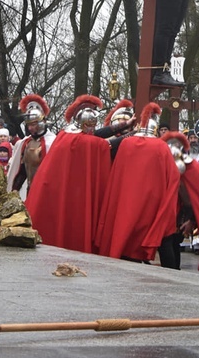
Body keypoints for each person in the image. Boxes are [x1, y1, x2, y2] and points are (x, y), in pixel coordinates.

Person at [26, 94, 135, 253]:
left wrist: (125, 124)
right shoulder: (83, 142)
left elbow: (96, 136)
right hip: (70, 192)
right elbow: (104, 145)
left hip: (57, 189)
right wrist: (131, 134)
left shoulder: (66, 134)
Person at [95, 102, 180, 263]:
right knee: (162, 239)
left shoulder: (127, 143)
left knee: (126, 234)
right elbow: (173, 176)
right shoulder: (161, 146)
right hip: (153, 201)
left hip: (126, 200)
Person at [160, 131, 199, 276]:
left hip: (197, 209)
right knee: (170, 238)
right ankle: (172, 273)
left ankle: (174, 273)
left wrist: (191, 220)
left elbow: (196, 199)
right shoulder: (175, 166)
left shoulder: (192, 170)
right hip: (180, 209)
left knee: (172, 239)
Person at [7, 94, 56, 197]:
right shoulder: (25, 143)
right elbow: (22, 171)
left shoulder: (53, 143)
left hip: (49, 192)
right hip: (31, 191)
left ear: (42, 122)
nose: (30, 128)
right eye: (28, 124)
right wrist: (14, 190)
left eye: (33, 124)